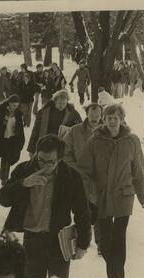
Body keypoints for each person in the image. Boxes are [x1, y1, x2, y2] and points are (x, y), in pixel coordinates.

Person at [0, 134, 91, 278]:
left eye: (51, 162)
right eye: (41, 160)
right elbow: (3, 198)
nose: (44, 165)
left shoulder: (71, 176)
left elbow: (82, 211)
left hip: (59, 242)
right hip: (32, 242)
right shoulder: (23, 170)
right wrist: (24, 183)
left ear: (60, 159)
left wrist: (83, 243)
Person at [78, 103, 144, 278]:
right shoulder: (95, 141)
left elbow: (139, 170)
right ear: (105, 119)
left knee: (119, 236)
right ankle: (115, 272)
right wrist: (91, 191)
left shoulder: (132, 141)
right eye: (109, 118)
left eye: (115, 118)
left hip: (123, 196)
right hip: (101, 196)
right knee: (106, 239)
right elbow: (84, 169)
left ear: (121, 120)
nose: (112, 121)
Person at [64, 103, 103, 255]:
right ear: (87, 114)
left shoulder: (107, 132)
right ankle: (82, 241)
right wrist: (77, 170)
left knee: (102, 211)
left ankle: (101, 244)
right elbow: (65, 153)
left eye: (97, 115)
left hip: (100, 179)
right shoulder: (75, 131)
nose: (94, 118)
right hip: (80, 179)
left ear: (101, 115)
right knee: (83, 211)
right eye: (92, 115)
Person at [27, 89, 82, 155]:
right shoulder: (44, 111)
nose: (62, 106)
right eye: (59, 103)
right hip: (45, 143)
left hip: (62, 147)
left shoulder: (72, 113)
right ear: (55, 101)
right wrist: (31, 149)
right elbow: (35, 130)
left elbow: (79, 129)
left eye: (64, 104)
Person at [0, 94, 25, 185]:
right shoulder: (0, 110)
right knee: (4, 159)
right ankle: (3, 178)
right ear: (9, 103)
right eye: (13, 105)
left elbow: (20, 128)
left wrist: (20, 139)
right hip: (1, 138)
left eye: (17, 105)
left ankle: (4, 178)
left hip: (12, 139)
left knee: (8, 159)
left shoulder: (18, 114)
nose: (15, 107)